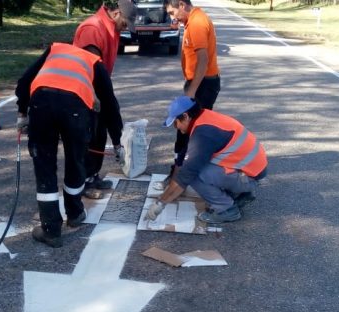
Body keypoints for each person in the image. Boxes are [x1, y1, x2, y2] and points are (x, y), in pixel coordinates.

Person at [15, 42, 124, 248]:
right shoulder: (95, 63)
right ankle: (74, 213)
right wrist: (118, 142)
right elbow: (110, 106)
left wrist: (22, 113)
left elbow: (23, 83)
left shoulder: (55, 49)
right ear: (95, 55)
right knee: (76, 160)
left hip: (42, 105)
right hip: (74, 109)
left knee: (45, 167)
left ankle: (51, 230)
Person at [146, 96, 267, 224]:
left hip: (248, 177)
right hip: (250, 170)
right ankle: (240, 194)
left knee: (194, 175)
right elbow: (182, 158)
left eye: (176, 123)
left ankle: (227, 209)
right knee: (194, 167)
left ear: (186, 116)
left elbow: (186, 174)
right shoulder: (204, 118)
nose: (177, 129)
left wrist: (161, 203)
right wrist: (172, 183)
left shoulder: (203, 134)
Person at [73, 0, 136, 197]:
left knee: (100, 134)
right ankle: (81, 182)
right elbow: (92, 70)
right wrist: (118, 139)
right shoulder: (93, 29)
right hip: (84, 89)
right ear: (116, 13)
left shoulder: (111, 28)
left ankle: (92, 176)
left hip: (99, 85)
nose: (125, 28)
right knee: (88, 135)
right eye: (125, 23)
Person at [164, 0, 221, 184]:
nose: (173, 18)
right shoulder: (192, 20)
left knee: (188, 129)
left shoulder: (197, 22)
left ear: (182, 4)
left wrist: (191, 93)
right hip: (196, 83)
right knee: (185, 130)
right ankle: (180, 170)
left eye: (173, 13)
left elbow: (203, 61)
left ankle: (181, 175)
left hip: (202, 85)